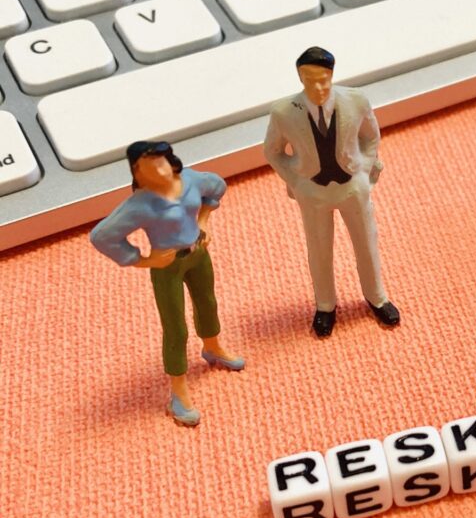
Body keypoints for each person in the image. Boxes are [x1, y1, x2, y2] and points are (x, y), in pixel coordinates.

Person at [90, 141, 244, 426]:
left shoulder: (190, 179)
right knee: (175, 327)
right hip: (168, 266)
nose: (159, 171)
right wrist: (143, 260)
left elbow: (217, 186)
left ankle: (212, 347)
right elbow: (102, 236)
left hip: (198, 253)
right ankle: (178, 390)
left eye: (161, 162)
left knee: (208, 304)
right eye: (148, 167)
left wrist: (204, 221)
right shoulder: (141, 204)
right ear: (137, 173)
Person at [263, 46, 400, 338]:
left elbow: (371, 136)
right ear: (300, 78)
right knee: (319, 250)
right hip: (313, 191)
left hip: (352, 187)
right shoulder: (284, 112)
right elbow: (273, 151)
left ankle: (376, 297)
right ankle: (325, 305)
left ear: (332, 75)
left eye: (323, 80)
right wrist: (296, 181)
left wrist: (363, 169)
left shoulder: (356, 100)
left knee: (367, 243)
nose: (318, 88)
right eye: (310, 81)